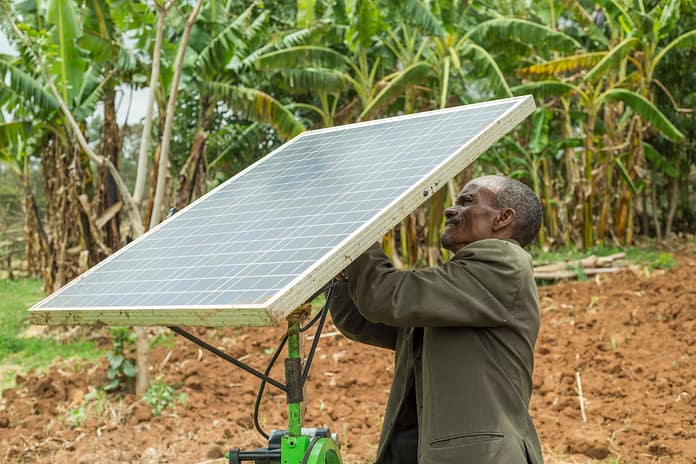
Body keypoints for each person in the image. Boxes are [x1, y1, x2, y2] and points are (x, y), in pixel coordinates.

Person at [328, 175, 544, 463]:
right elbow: (362, 320)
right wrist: (339, 271)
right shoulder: (461, 289)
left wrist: (354, 225)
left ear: (503, 218)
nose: (450, 210)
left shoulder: (503, 262)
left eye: (466, 202)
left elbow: (383, 296)